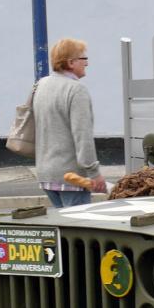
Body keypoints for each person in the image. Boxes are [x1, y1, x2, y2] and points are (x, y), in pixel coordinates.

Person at [34, 38, 107, 207]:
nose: (87, 63)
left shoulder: (41, 85)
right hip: (72, 176)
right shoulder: (76, 90)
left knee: (63, 229)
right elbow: (82, 135)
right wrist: (94, 173)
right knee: (80, 229)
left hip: (46, 173)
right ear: (71, 62)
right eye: (84, 59)